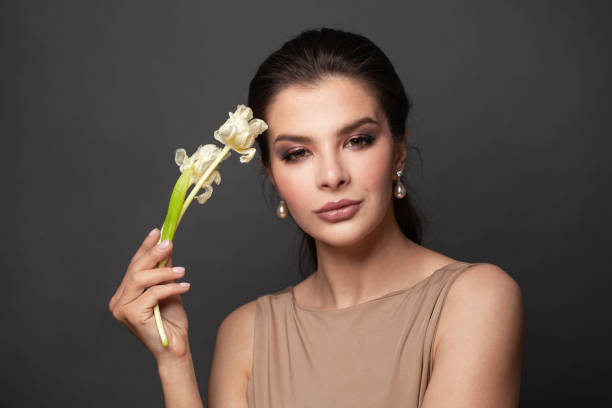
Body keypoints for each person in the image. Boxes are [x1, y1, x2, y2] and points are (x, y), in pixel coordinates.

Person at [109, 27, 524, 407]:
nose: (331, 176)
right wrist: (173, 361)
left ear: (398, 149)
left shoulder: (476, 300)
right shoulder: (246, 334)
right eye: (297, 153)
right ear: (272, 174)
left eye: (357, 140)